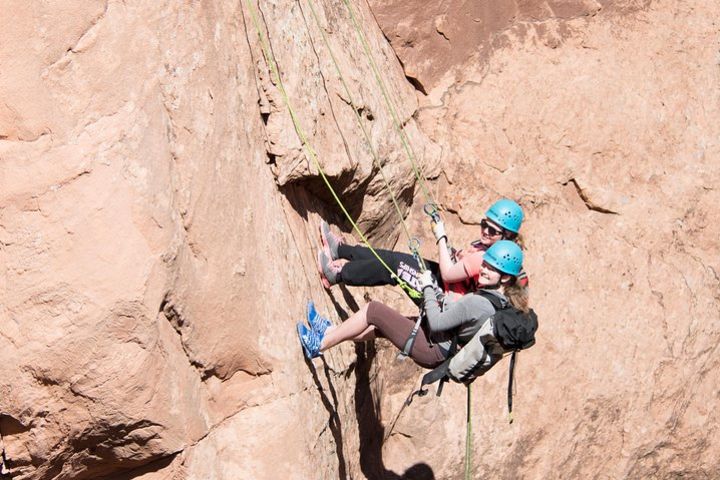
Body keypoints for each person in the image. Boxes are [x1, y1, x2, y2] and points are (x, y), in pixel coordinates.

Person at [298, 240, 527, 370]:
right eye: (484, 265)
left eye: (492, 269)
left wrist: (428, 287)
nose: (484, 270)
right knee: (379, 329)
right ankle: (328, 331)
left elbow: (438, 322)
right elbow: (458, 320)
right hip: (438, 344)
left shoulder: (480, 303)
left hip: (432, 346)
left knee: (374, 311)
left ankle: (319, 345)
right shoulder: (498, 301)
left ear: (505, 278)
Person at [317, 199, 524, 300]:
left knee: (393, 268)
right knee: (393, 257)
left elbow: (449, 274)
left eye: (493, 230)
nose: (486, 231)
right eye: (484, 224)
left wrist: (441, 237)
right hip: (443, 284)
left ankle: (338, 275)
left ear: (506, 236)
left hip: (442, 296)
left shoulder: (488, 257)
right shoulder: (487, 246)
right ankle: (341, 250)